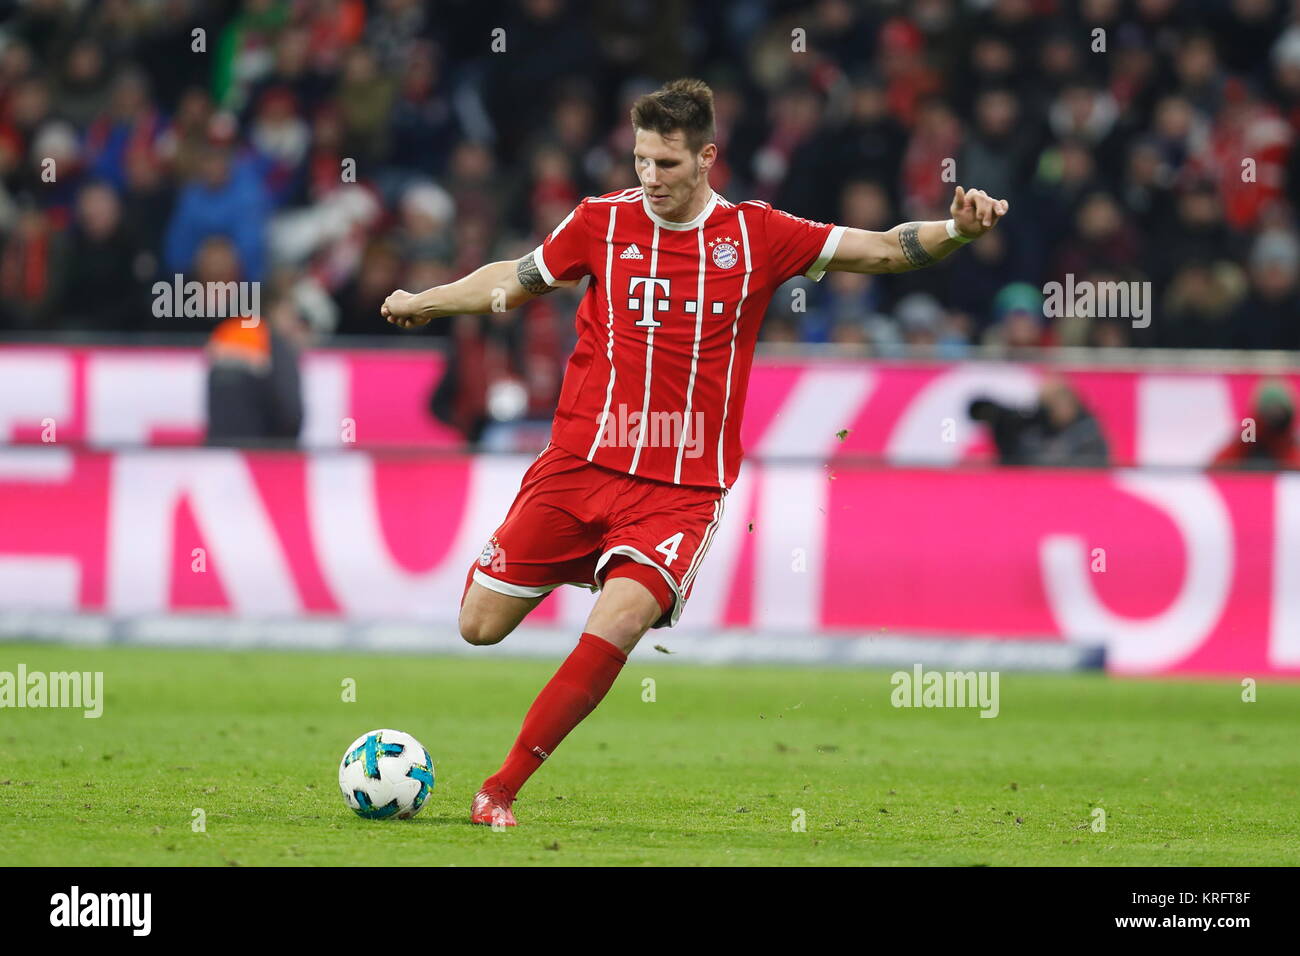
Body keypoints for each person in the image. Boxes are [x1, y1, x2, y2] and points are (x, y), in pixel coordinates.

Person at [380, 78, 1009, 826]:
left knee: (617, 621)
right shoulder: (599, 222)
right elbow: (514, 282)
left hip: (679, 487)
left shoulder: (756, 234)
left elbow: (878, 250)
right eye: (641, 160)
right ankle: (598, 562)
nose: (650, 178)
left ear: (707, 157)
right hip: (579, 464)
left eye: (668, 164)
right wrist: (428, 297)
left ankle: (500, 788)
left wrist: (959, 230)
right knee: (478, 624)